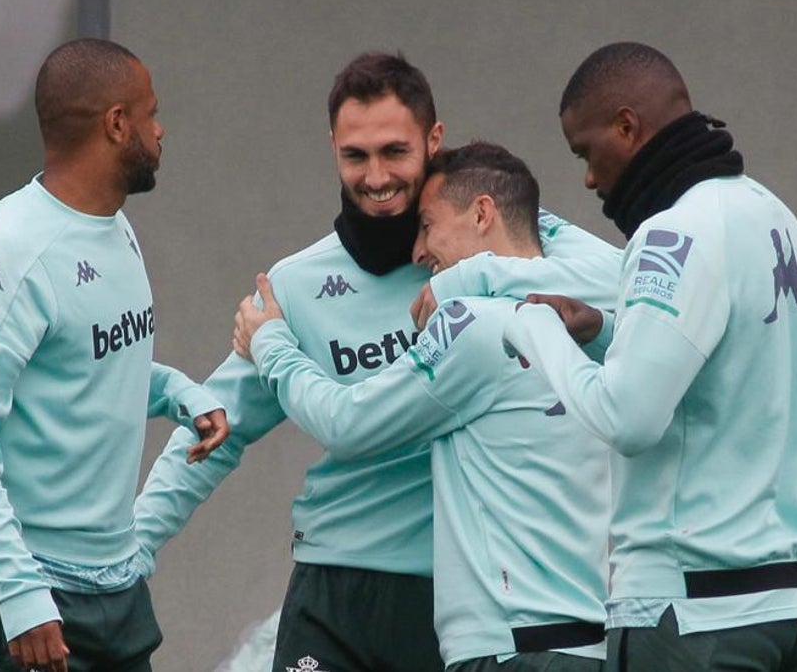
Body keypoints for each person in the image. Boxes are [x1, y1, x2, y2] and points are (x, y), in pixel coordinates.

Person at [134, 53, 622, 672]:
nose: (377, 176)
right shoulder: (297, 285)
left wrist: (468, 278)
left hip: (452, 600)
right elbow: (215, 427)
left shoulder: (517, 241)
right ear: (332, 148)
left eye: (395, 151)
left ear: (433, 140)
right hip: (335, 583)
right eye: (355, 156)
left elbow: (625, 288)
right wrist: (131, 549)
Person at [468, 42, 797, 671]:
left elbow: (629, 419)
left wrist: (527, 326)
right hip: (782, 606)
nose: (587, 177)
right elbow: (719, 375)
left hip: (692, 611)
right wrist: (606, 332)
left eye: (585, 152)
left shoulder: (674, 232)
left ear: (627, 127)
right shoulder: (774, 218)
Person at [231, 141, 615, 671]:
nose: (416, 253)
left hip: (511, 651)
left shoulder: (474, 326)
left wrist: (271, 342)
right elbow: (622, 266)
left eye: (428, 225)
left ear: (482, 213)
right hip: (589, 646)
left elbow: (349, 423)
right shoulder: (592, 315)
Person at [0, 38, 229, 672]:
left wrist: (182, 396)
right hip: (17, 590)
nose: (160, 128)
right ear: (117, 124)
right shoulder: (7, 252)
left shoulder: (114, 226)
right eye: (150, 113)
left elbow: (83, 369)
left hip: (109, 585)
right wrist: (19, 591)